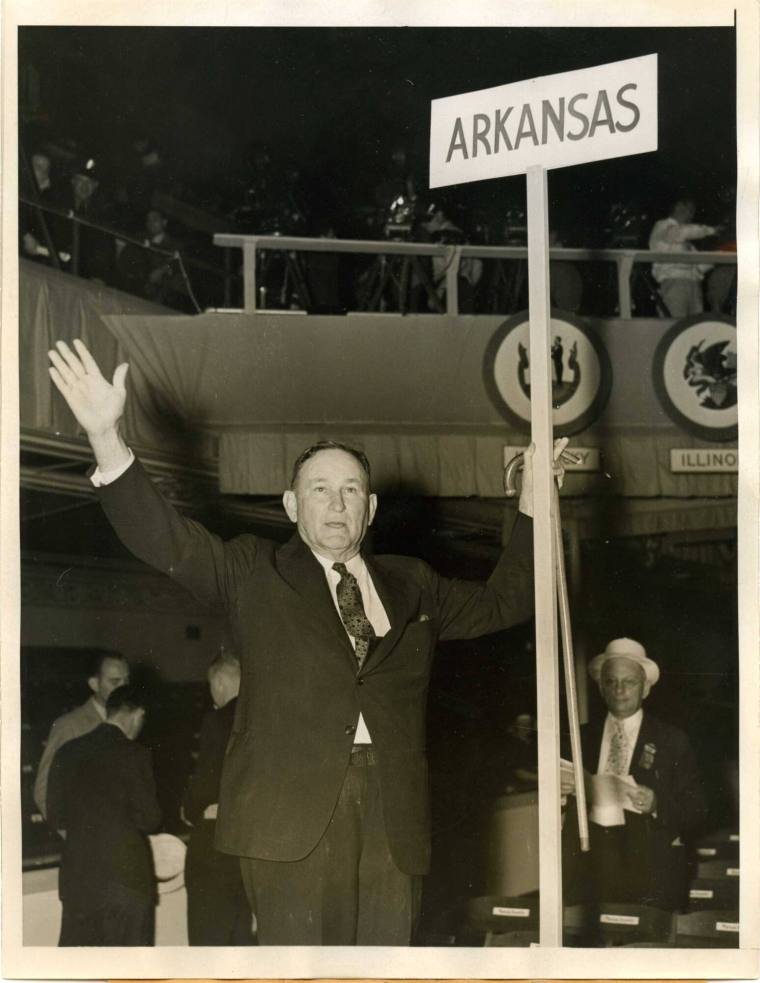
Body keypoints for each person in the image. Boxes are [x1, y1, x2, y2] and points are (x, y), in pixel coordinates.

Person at [47, 337, 562, 946]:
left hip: (395, 824)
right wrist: (107, 438)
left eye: (350, 491)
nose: (336, 503)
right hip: (289, 824)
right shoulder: (252, 573)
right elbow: (168, 540)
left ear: (369, 509)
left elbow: (506, 601)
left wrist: (535, 505)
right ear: (292, 505)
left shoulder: (413, 582)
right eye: (319, 488)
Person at [561, 637, 707, 915]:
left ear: (646, 688)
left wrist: (656, 804)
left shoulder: (672, 741)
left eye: (629, 682)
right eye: (611, 681)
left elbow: (696, 811)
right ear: (601, 687)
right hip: (590, 874)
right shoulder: (579, 739)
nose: (619, 690)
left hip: (649, 875)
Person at [47, 684, 162, 946]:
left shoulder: (67, 751)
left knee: (82, 968)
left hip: (78, 883)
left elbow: (56, 816)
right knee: (127, 970)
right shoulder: (135, 754)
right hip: (125, 883)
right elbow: (150, 819)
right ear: (137, 714)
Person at [182, 651, 256, 946]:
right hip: (250, 848)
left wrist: (189, 808)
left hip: (217, 846)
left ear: (221, 682)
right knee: (241, 935)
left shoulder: (218, 719)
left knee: (208, 939)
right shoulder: (264, 716)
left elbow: (207, 783)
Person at [34, 651, 130, 819]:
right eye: (115, 682)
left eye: (127, 681)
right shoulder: (69, 726)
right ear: (94, 684)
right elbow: (43, 791)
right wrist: (74, 836)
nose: (124, 689)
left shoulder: (131, 722)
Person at [648, 198, 718, 317]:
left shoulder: (687, 244)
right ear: (678, 206)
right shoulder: (663, 226)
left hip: (694, 284)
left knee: (695, 328)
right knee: (675, 325)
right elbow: (680, 233)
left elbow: (700, 266)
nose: (692, 215)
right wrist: (711, 230)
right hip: (674, 283)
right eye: (690, 210)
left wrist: (719, 257)